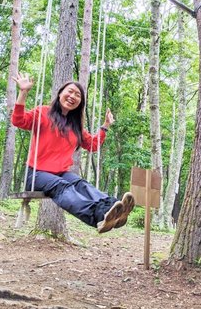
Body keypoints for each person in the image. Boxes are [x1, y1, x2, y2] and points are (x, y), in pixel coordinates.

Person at [11, 72, 135, 233]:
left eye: (78, 95)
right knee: (62, 186)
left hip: (60, 173)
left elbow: (92, 145)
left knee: (80, 184)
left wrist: (105, 127)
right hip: (36, 174)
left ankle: (113, 208)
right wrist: (23, 92)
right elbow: (18, 120)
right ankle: (98, 216)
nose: (73, 96)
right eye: (70, 91)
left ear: (80, 103)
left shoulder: (75, 126)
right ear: (60, 93)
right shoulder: (43, 112)